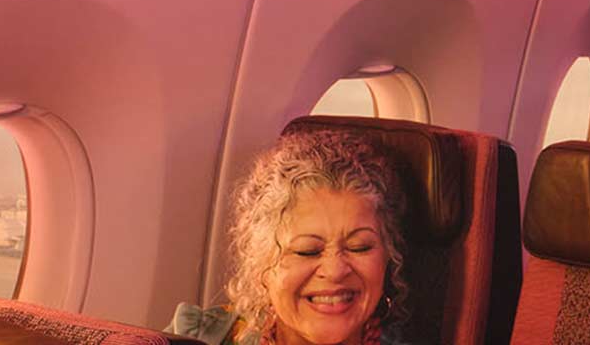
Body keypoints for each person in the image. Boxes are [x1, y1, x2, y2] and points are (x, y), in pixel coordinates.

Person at [168, 131, 411, 345]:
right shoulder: (199, 337)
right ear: (260, 265)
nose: (335, 270)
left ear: (388, 258)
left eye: (359, 247)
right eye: (308, 251)